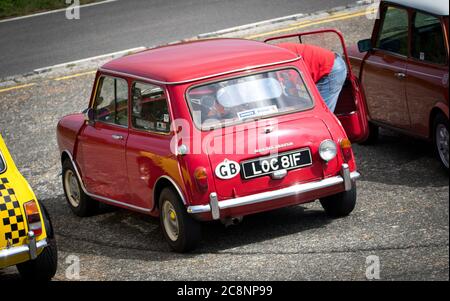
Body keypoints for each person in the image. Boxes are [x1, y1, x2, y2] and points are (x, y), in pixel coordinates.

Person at [276, 43, 347, 112]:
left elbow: (295, 82)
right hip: (325, 65)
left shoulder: (275, 57)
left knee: (320, 112)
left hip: (331, 68)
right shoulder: (273, 52)